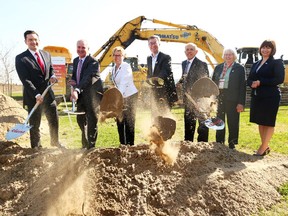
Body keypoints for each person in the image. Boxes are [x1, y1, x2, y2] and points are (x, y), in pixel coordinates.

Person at [15, 30, 63, 149]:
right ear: (25, 41)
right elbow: (25, 80)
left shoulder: (46, 54)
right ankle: (36, 148)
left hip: (48, 94)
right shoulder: (21, 58)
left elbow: (50, 69)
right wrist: (36, 94)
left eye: (35, 39)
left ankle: (55, 142)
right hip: (34, 97)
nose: (33, 42)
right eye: (30, 40)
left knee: (54, 119)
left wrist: (52, 76)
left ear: (39, 40)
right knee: (35, 124)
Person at [247, 40, 285, 156]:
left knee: (268, 122)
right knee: (261, 122)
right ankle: (265, 145)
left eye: (268, 47)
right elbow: (249, 79)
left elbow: (279, 79)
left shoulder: (277, 62)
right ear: (260, 49)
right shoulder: (256, 64)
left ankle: (262, 148)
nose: (265, 50)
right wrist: (252, 83)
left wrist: (260, 82)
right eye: (263, 47)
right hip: (258, 96)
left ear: (272, 50)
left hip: (271, 96)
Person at [69, 39, 103, 149]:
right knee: (80, 119)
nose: (80, 49)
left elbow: (86, 78)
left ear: (88, 49)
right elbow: (76, 76)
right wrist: (73, 82)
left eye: (83, 47)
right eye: (78, 47)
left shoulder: (93, 61)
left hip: (92, 95)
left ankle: (91, 146)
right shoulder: (75, 61)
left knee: (92, 120)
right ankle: (84, 143)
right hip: (81, 96)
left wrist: (76, 90)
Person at [101, 46, 138, 145]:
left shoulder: (126, 66)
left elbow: (123, 82)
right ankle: (122, 144)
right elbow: (115, 84)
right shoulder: (113, 69)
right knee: (119, 121)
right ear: (113, 56)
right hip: (120, 97)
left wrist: (117, 98)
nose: (117, 57)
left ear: (123, 56)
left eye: (119, 55)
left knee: (129, 121)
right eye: (115, 55)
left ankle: (130, 145)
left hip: (130, 96)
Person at [212, 48, 246, 149]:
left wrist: (241, 103)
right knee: (219, 120)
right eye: (226, 54)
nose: (228, 56)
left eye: (230, 54)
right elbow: (213, 83)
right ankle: (219, 142)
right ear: (223, 56)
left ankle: (232, 142)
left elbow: (242, 86)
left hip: (233, 98)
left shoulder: (239, 68)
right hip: (220, 96)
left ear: (234, 56)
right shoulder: (218, 67)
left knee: (233, 120)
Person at [177, 43, 209, 142]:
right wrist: (179, 82)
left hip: (200, 100)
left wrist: (200, 100)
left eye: (191, 49)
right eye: (187, 50)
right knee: (188, 122)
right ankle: (188, 144)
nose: (189, 51)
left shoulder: (202, 64)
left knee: (202, 123)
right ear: (185, 52)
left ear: (196, 51)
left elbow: (205, 82)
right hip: (188, 99)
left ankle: (202, 145)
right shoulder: (184, 63)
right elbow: (185, 77)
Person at [146, 35, 178, 118]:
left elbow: (165, 71)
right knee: (154, 117)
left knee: (165, 117)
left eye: (155, 43)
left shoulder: (166, 57)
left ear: (159, 44)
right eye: (150, 43)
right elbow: (149, 73)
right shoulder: (149, 58)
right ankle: (154, 131)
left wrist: (155, 79)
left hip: (165, 92)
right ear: (148, 46)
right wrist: (148, 81)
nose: (153, 45)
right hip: (154, 93)